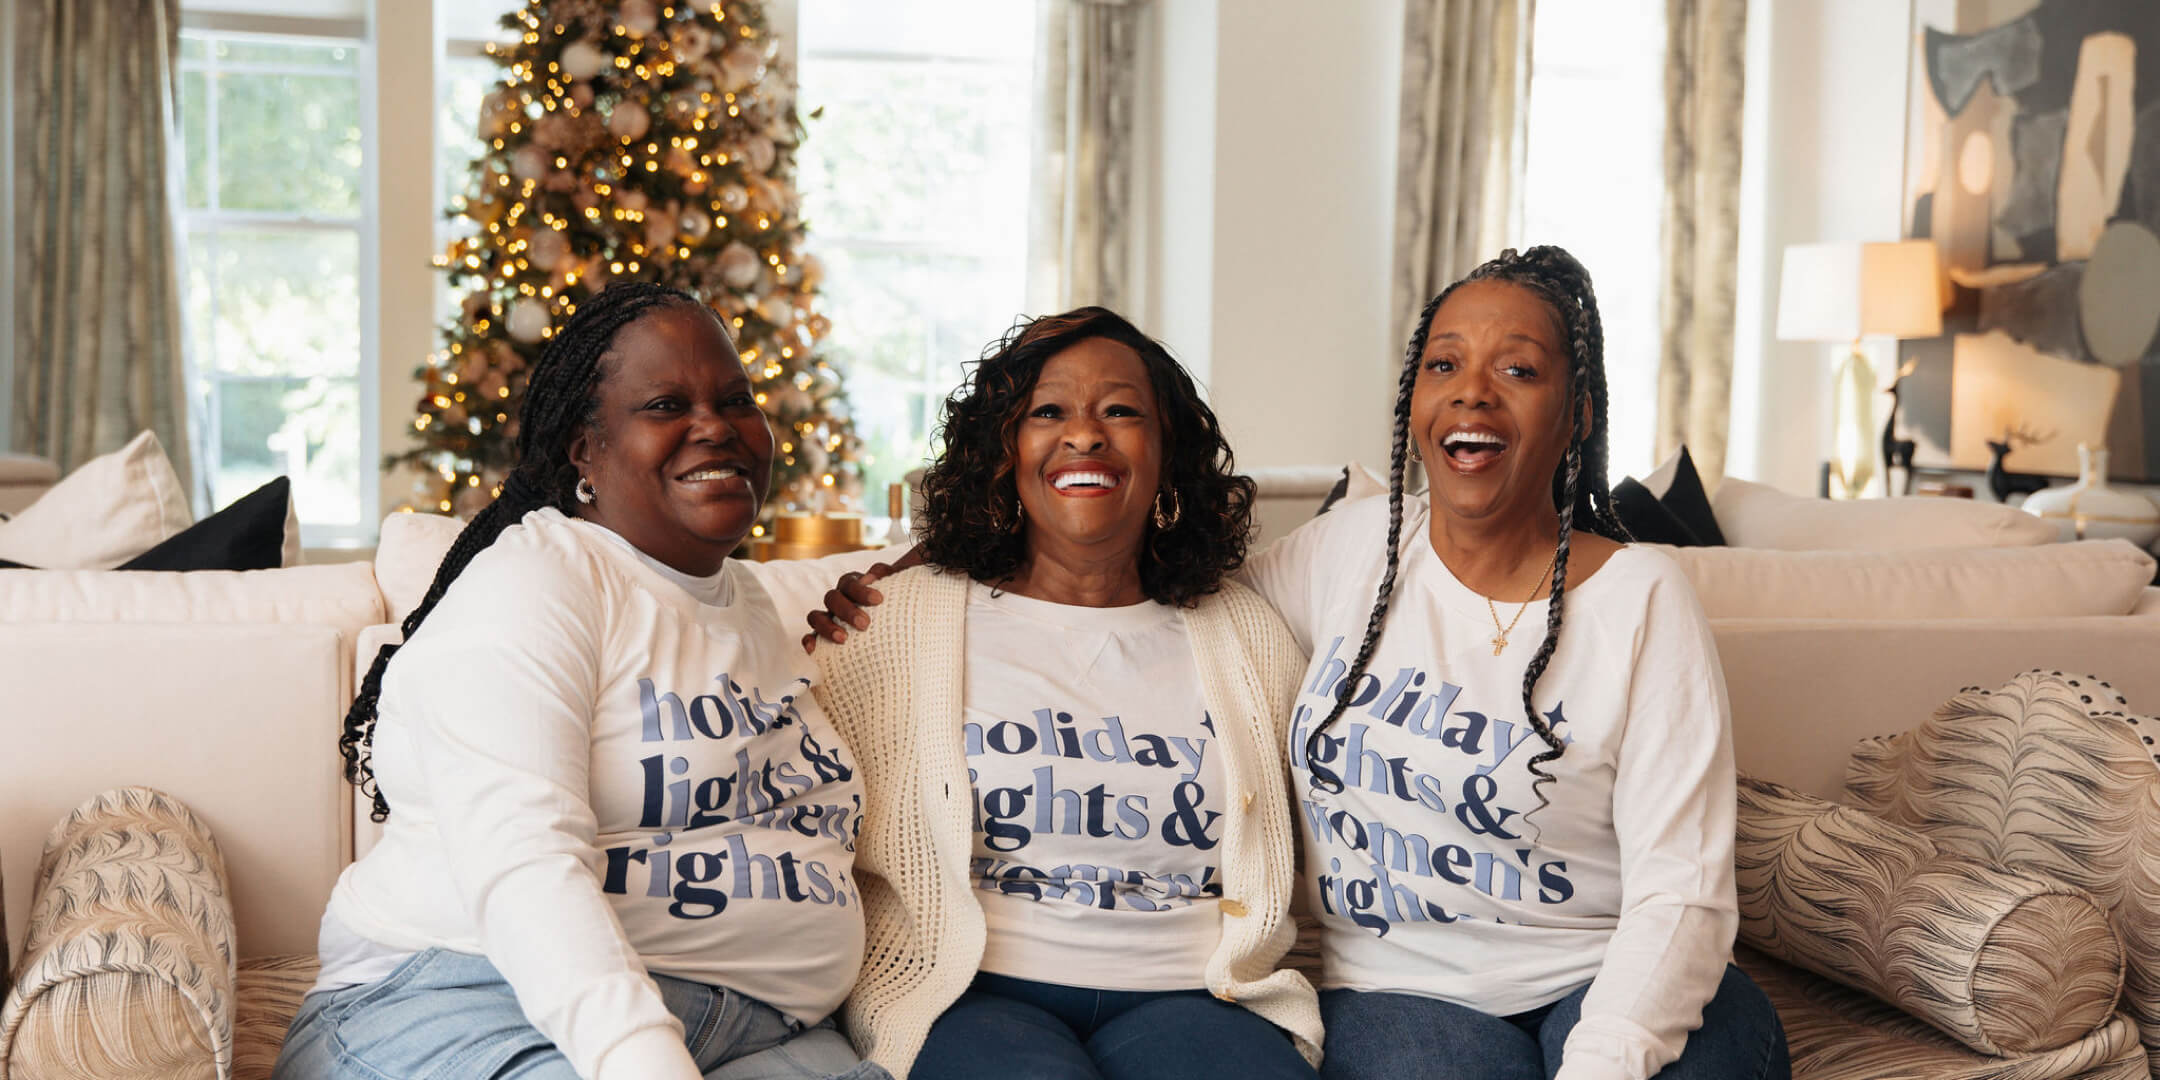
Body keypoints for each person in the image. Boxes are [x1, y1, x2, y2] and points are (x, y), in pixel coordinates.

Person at [814, 250, 1788, 1080]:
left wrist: (1607, 1055)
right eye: (1446, 363)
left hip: (1587, 967)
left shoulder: (1637, 599)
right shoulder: (1349, 553)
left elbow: (1684, 889)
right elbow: (809, 762)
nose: (1475, 391)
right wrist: (907, 568)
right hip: (1399, 990)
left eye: (1520, 370)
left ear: (1577, 412)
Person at [274, 283, 886, 1080]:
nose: (717, 427)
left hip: (758, 1027)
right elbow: (528, 865)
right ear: (584, 451)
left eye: (736, 399)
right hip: (472, 1002)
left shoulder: (752, 603)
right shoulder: (537, 583)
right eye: (666, 404)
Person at [808, 308, 1322, 1080]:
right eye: (1048, 412)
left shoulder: (1247, 635)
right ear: (1003, 450)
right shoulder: (896, 623)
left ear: (1166, 453)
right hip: (969, 994)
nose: (1085, 435)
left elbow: (1303, 851)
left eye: (1120, 411)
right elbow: (806, 815)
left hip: (1194, 993)